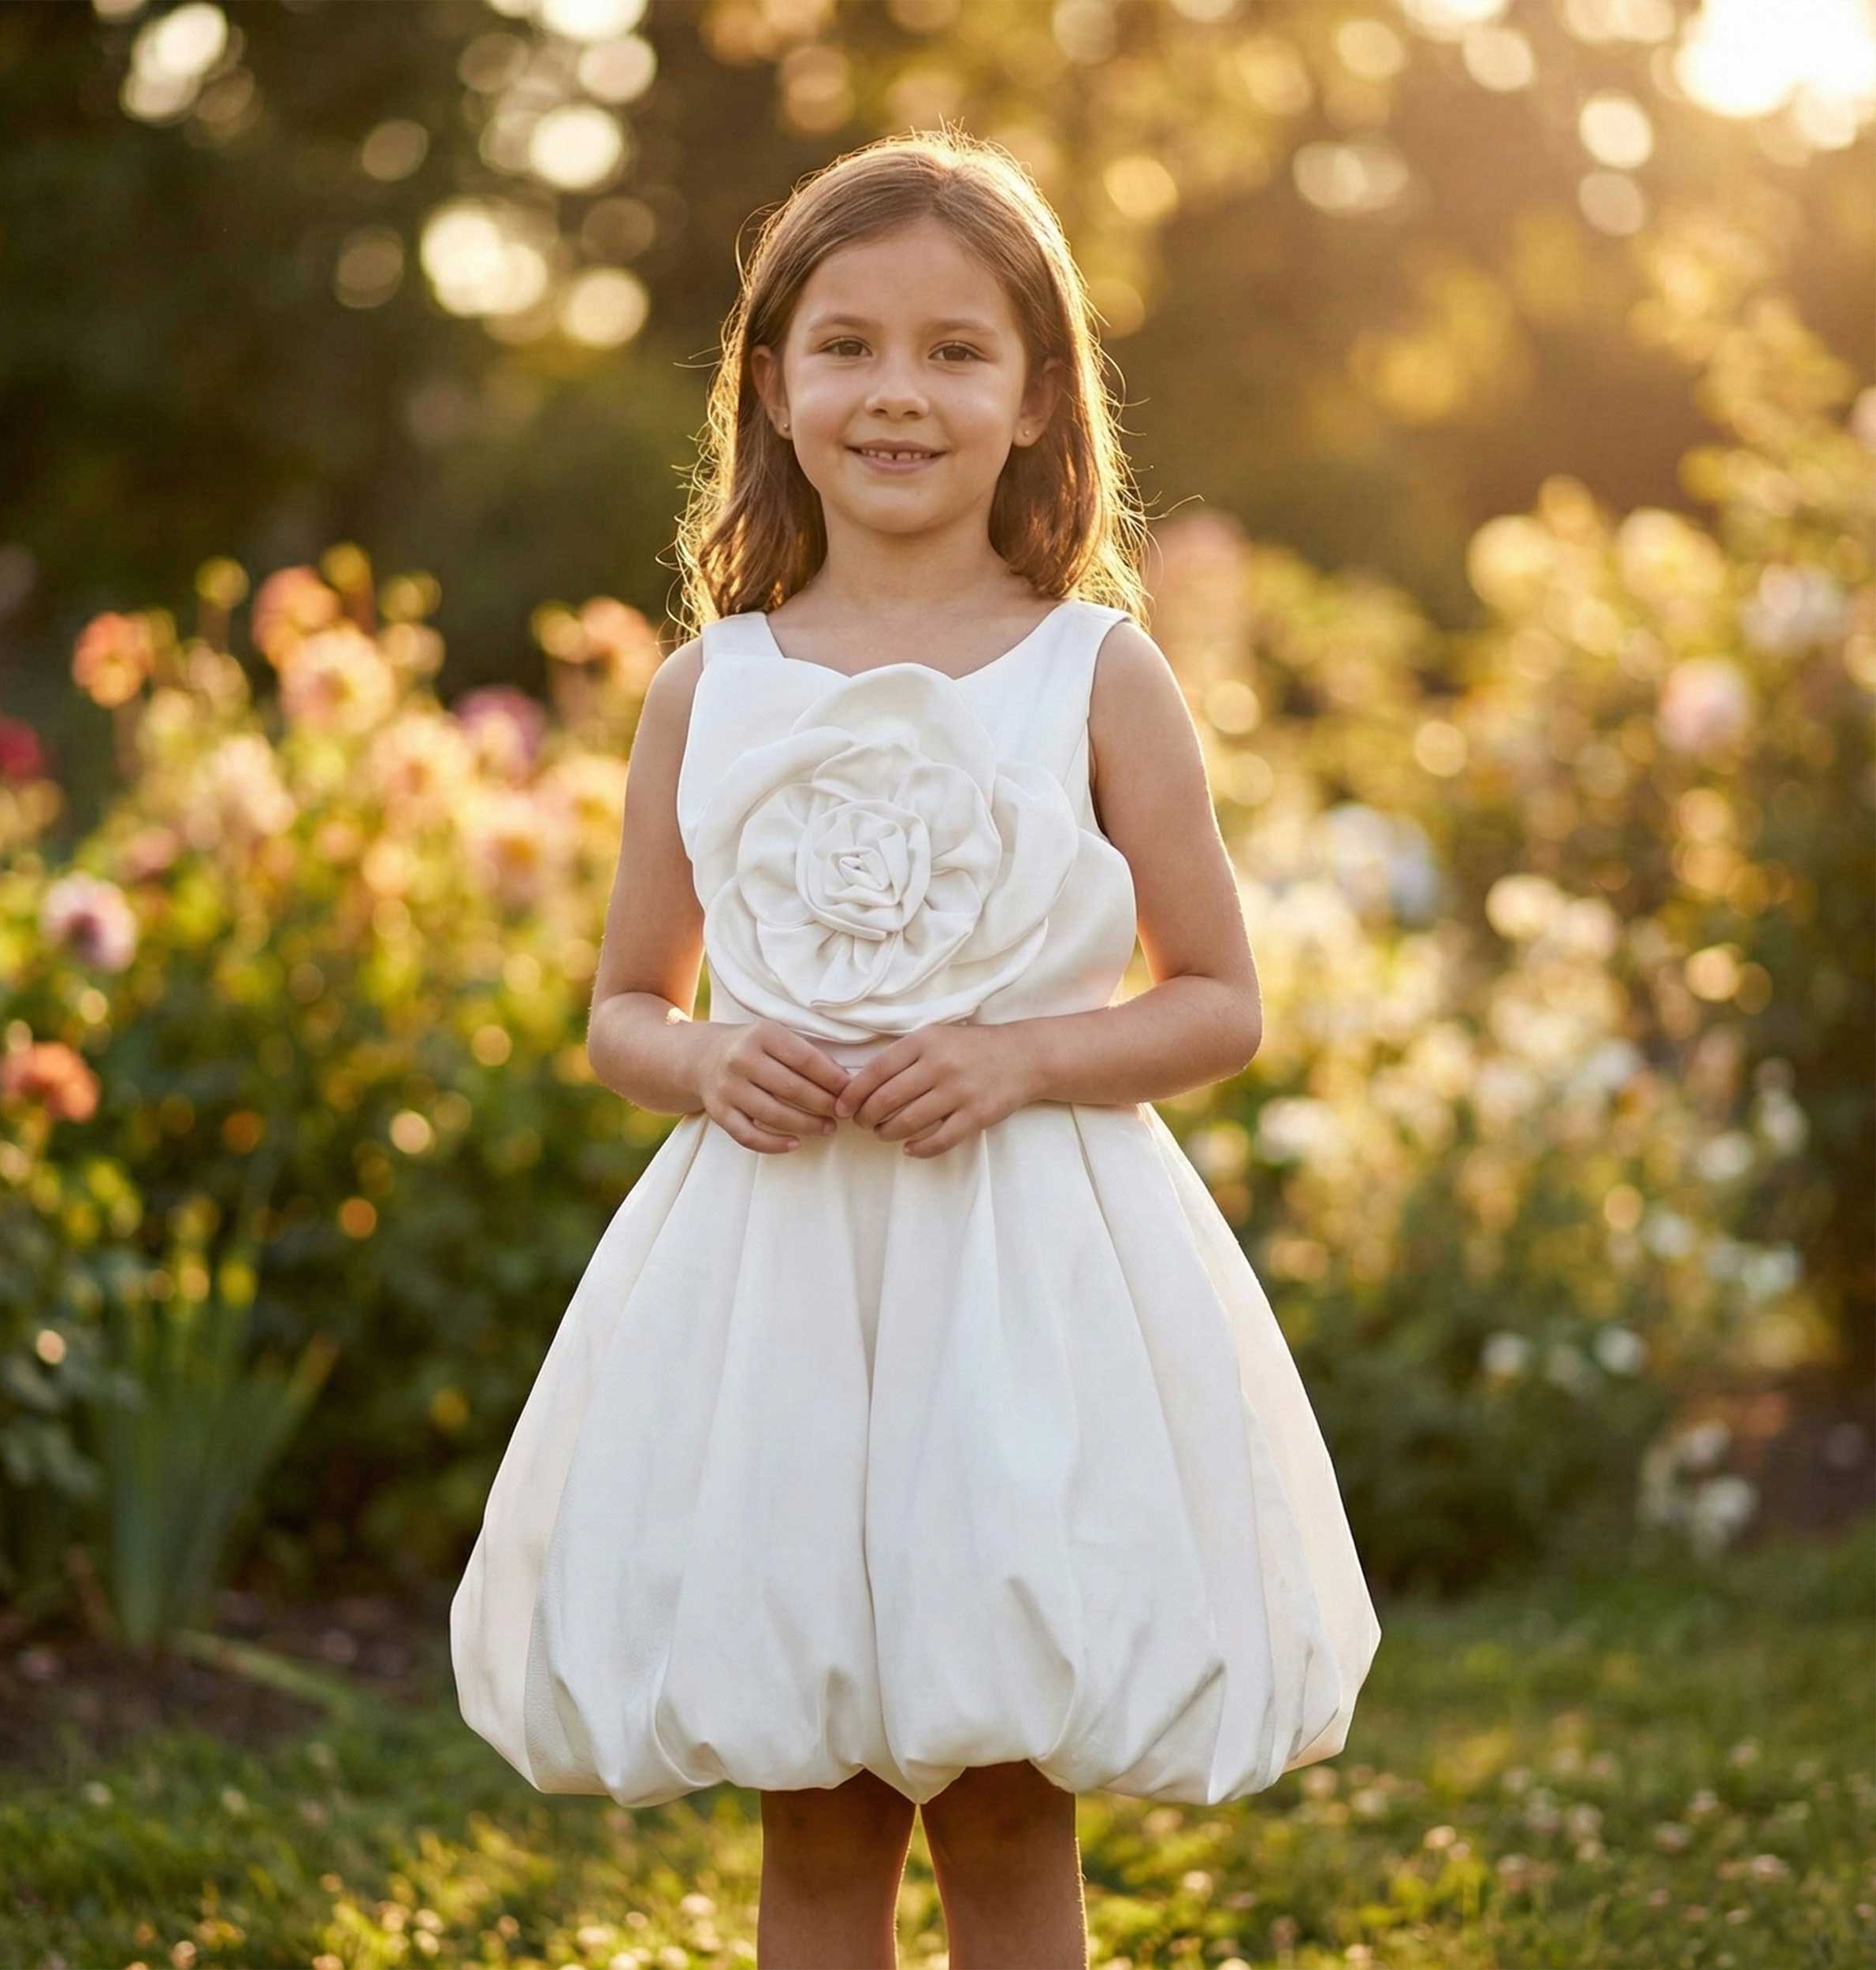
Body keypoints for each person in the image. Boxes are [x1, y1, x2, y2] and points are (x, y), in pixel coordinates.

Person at [451, 128, 1382, 1970]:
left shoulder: (1093, 671)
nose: (899, 392)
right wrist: (711, 1065)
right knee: (816, 1806)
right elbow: (626, 1008)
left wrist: (1026, 1056)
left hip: (1015, 1295)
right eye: (847, 345)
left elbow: (1216, 993)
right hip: (781, 1298)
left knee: (1007, 1792)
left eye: (955, 351)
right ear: (773, 386)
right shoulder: (707, 689)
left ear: (1039, 397)